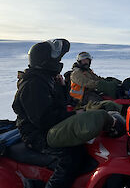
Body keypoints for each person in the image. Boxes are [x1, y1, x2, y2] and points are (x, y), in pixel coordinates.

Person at [12, 39, 123, 188]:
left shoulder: (46, 78)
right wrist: (73, 116)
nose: (58, 61)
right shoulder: (34, 84)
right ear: (45, 61)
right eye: (55, 58)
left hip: (49, 125)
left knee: (85, 146)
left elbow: (62, 105)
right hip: (36, 134)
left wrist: (62, 87)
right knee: (71, 156)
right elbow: (44, 119)